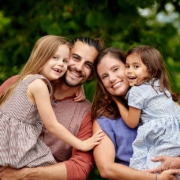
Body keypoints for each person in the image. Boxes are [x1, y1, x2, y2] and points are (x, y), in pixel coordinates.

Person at [0, 36, 104, 178]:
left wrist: (23, 174)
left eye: (88, 65)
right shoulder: (19, 83)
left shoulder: (86, 113)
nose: (79, 67)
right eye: (75, 58)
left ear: (92, 74)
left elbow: (80, 168)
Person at [92, 47, 179, 180]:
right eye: (104, 76)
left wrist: (176, 162)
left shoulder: (162, 100)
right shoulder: (105, 120)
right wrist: (155, 179)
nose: (112, 78)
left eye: (116, 69)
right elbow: (106, 169)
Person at [114, 45, 180, 171]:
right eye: (127, 66)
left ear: (151, 70)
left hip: (164, 137)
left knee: (148, 168)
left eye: (136, 66)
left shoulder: (136, 91)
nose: (129, 71)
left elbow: (132, 122)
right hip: (176, 133)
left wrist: (117, 102)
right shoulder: (158, 85)